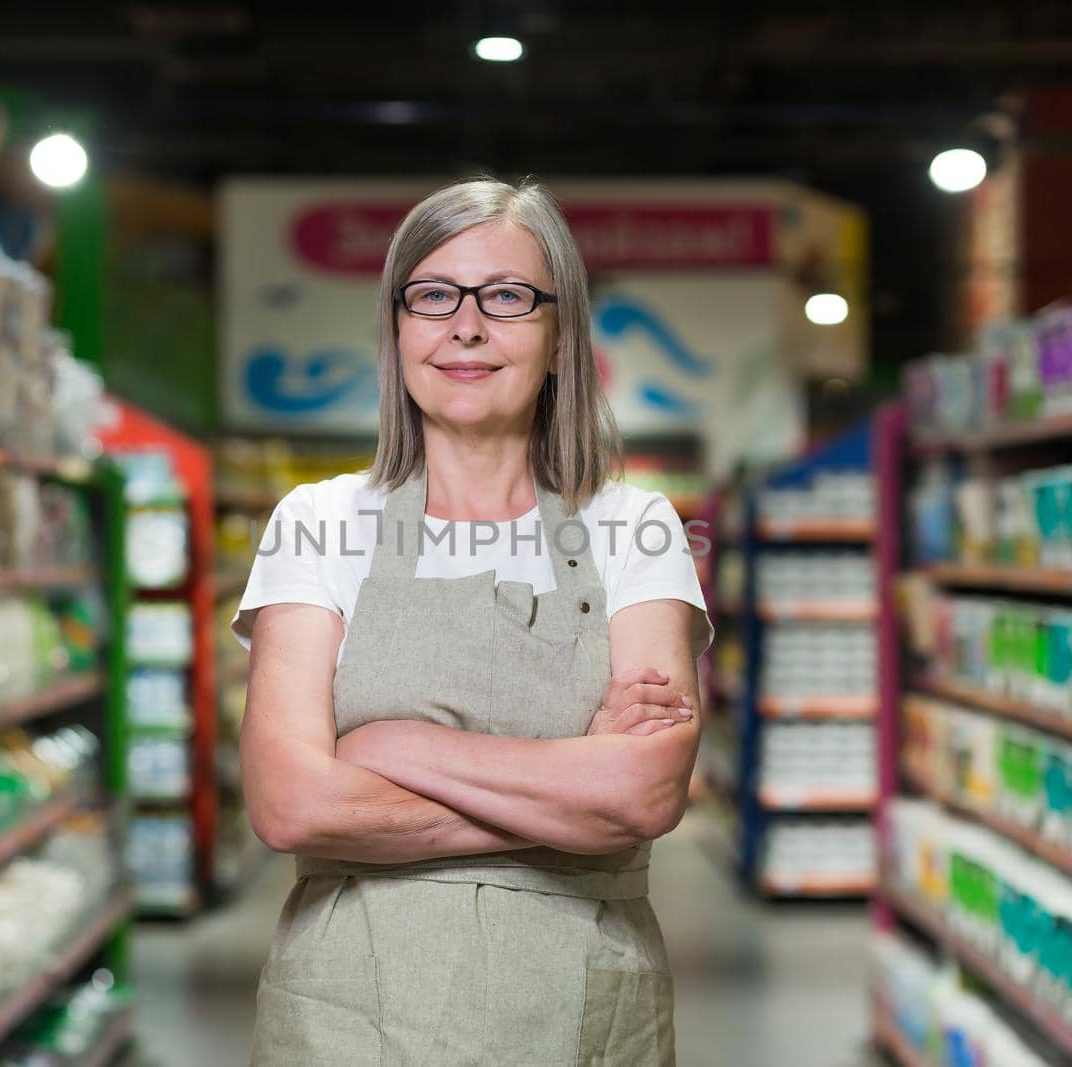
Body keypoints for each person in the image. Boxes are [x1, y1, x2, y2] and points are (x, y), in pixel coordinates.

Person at [232, 175, 714, 1066]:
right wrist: (577, 794)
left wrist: (393, 748)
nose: (465, 326)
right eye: (432, 296)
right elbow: (291, 802)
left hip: (581, 1011)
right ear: (399, 329)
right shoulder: (320, 522)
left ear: (561, 333)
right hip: (348, 1014)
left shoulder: (633, 527)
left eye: (505, 297)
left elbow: (646, 794)